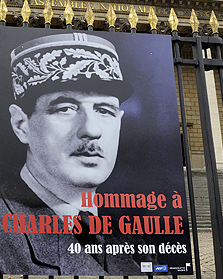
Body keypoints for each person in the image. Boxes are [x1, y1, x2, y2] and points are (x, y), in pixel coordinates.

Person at [0, 32, 155, 275]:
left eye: (105, 110)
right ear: (21, 125)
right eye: (66, 108)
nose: (91, 131)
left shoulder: (129, 240)